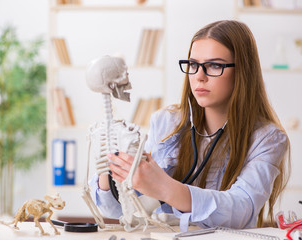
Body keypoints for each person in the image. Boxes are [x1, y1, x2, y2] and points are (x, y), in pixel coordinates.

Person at [89, 20, 290, 231]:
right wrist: (110, 170)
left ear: (242, 72)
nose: (199, 76)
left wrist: (166, 188)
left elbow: (241, 210)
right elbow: (116, 211)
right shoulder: (166, 122)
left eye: (215, 65)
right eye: (193, 65)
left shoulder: (268, 138)